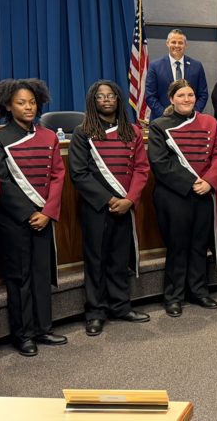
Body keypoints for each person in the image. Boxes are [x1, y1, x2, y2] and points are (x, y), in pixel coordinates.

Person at [0, 79, 66, 357]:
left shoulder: (48, 136)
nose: (28, 107)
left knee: (42, 275)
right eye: (21, 102)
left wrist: (47, 213)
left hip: (44, 217)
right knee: (20, 279)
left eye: (32, 102)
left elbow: (57, 175)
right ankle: (23, 335)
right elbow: (1, 181)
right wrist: (28, 213)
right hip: (15, 220)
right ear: (8, 105)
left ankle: (44, 328)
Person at [67, 80, 151, 335]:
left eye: (111, 95)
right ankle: (95, 312)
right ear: (93, 101)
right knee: (96, 260)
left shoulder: (133, 131)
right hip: (97, 207)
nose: (106, 99)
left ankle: (121, 306)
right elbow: (79, 173)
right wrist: (108, 200)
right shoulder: (83, 132)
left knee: (119, 259)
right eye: (100, 96)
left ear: (118, 99)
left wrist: (130, 199)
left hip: (125, 206)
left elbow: (141, 168)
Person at [148, 79, 217, 317]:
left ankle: (199, 291)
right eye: (181, 95)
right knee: (177, 246)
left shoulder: (209, 122)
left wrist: (210, 181)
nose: (187, 99)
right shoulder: (159, 125)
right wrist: (193, 183)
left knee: (198, 245)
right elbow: (160, 162)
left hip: (204, 192)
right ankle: (173, 296)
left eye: (191, 95)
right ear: (171, 99)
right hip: (174, 195)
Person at [144, 29, 210, 120]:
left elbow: (203, 95)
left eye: (180, 43)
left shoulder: (197, 66)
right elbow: (150, 96)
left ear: (185, 45)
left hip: (190, 121)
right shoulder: (155, 66)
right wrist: (166, 115)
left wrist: (191, 114)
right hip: (161, 121)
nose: (177, 45)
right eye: (173, 42)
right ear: (167, 43)